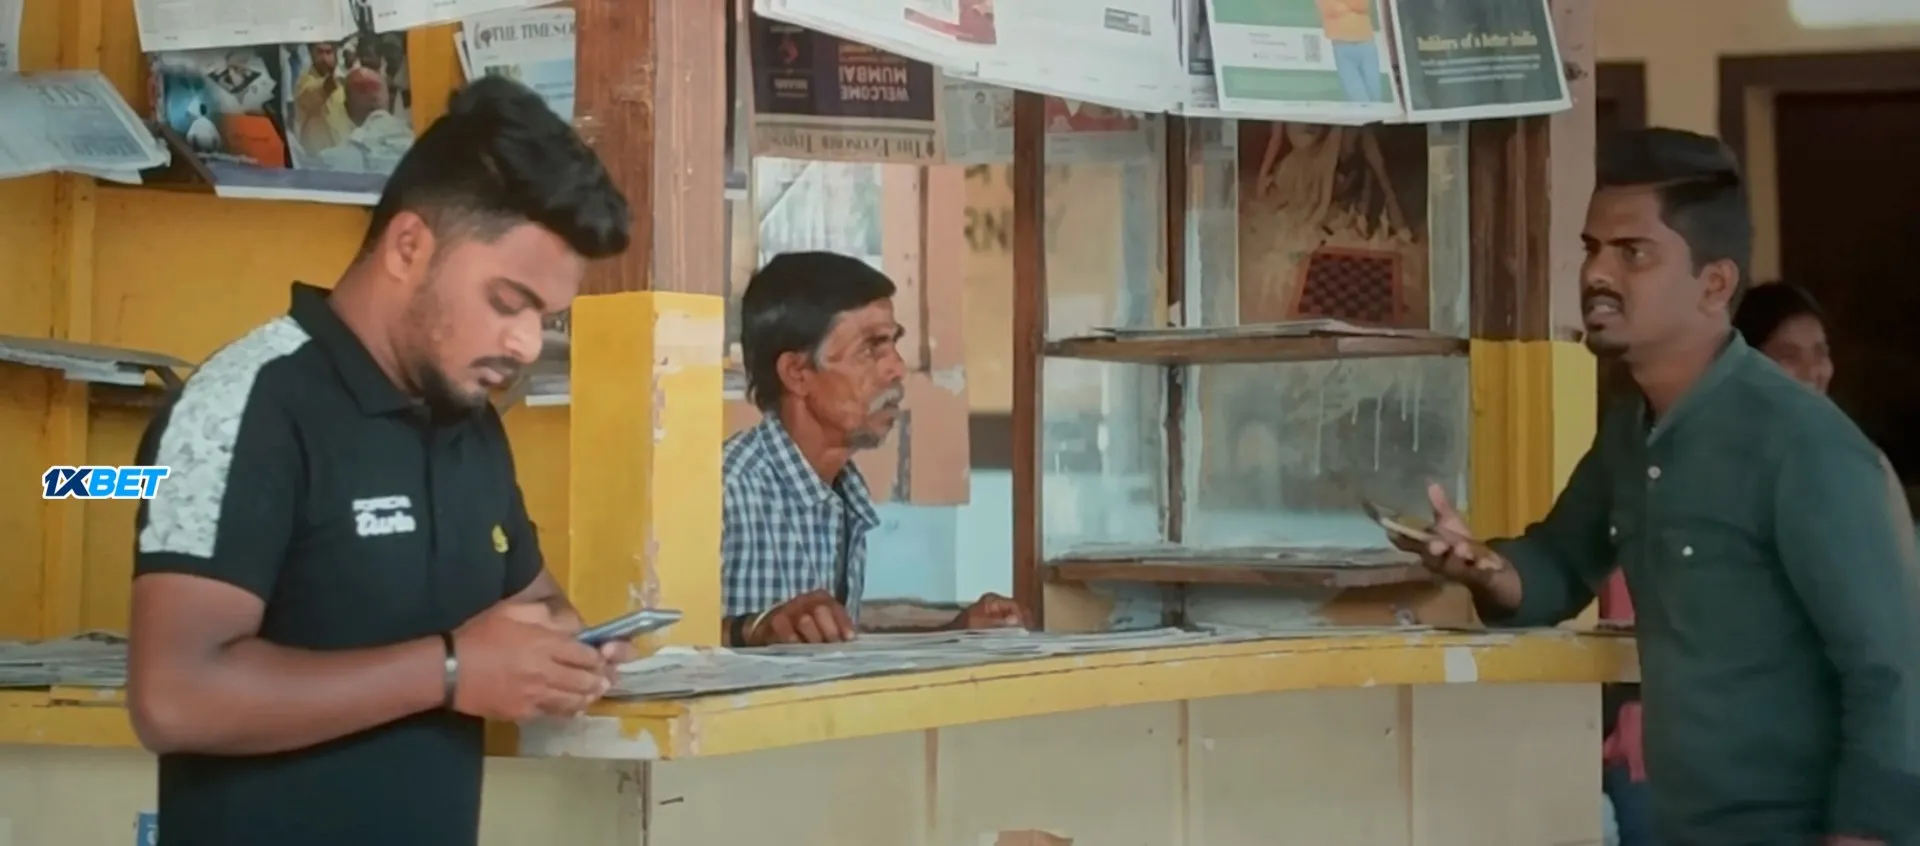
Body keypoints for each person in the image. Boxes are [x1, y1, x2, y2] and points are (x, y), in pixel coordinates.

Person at [125, 76, 635, 846]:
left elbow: (539, 604)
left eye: (546, 317)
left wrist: (567, 655)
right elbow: (172, 696)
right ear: (408, 247)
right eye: (507, 302)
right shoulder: (243, 407)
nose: (526, 343)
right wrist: (452, 671)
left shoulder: (471, 424)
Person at [1399, 127, 1920, 846]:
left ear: (1715, 284)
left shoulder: (1804, 446)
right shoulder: (1631, 427)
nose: (1597, 273)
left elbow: (1894, 673)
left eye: (1632, 253)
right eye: (1592, 248)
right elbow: (1559, 562)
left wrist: (1866, 833)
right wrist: (1484, 567)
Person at [721, 251, 1030, 645]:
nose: (896, 368)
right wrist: (751, 630)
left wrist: (953, 636)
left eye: (892, 344)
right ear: (797, 373)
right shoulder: (725, 491)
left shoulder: (843, 491)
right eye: (870, 349)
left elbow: (836, 651)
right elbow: (656, 648)